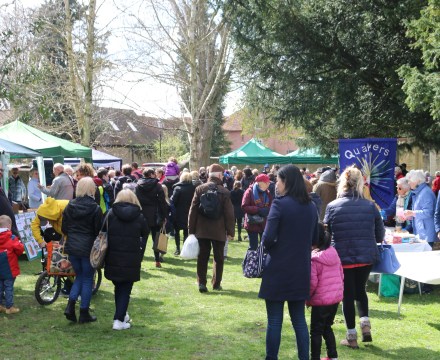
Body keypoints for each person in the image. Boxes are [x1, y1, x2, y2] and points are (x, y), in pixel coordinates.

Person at [259, 164, 319, 360]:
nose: (276, 184)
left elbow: (267, 239)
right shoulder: (310, 206)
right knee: (299, 321)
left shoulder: (280, 204)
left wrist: (275, 246)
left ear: (287, 182)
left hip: (278, 267)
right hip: (300, 268)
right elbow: (315, 237)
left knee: (275, 320)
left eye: (278, 180)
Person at [324, 165, 384, 349]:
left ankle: (351, 336)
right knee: (361, 291)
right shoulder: (370, 206)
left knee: (347, 296)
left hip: (343, 257)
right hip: (365, 256)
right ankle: (365, 326)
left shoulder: (332, 206)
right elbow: (380, 235)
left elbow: (327, 235)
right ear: (360, 184)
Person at [104, 190, 148, 330]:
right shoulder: (139, 216)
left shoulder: (110, 214)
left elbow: (102, 231)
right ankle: (119, 319)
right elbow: (145, 232)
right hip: (131, 257)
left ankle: (121, 315)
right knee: (125, 289)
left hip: (113, 256)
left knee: (119, 287)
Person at [188, 163, 235, 293]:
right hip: (219, 230)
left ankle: (201, 283)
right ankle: (216, 283)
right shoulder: (225, 192)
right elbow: (229, 214)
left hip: (202, 230)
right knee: (219, 258)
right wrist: (231, 231)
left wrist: (191, 230)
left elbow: (193, 211)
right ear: (220, 175)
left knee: (202, 256)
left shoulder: (199, 189)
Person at [62, 177, 103, 323]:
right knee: (86, 278)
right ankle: (83, 311)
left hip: (72, 246)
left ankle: (70, 306)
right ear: (92, 189)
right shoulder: (95, 208)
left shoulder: (70, 205)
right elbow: (99, 230)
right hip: (87, 247)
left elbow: (64, 228)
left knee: (80, 276)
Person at [307, 223, 344, 360]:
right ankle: (332, 356)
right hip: (334, 298)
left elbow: (312, 283)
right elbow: (341, 274)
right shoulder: (333, 252)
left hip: (320, 301)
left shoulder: (314, 259)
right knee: (327, 327)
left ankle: (314, 357)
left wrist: (308, 298)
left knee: (316, 331)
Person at [135, 168, 167, 268]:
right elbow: (162, 202)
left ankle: (139, 261)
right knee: (156, 238)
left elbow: (136, 200)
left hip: (142, 215)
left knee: (142, 239)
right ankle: (157, 260)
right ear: (152, 174)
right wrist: (164, 215)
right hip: (155, 215)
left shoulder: (138, 186)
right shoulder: (157, 186)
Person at [404, 169, 437, 247]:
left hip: (426, 234)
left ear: (417, 181)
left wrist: (412, 213)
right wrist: (410, 215)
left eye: (409, 181)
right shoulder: (419, 192)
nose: (408, 183)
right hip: (422, 232)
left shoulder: (425, 193)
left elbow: (428, 212)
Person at [0, 215, 24, 314]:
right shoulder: (12, 237)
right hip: (9, 267)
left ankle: (0, 305)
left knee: (0, 286)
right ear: (9, 226)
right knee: (8, 287)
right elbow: (19, 249)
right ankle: (9, 307)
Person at [242, 173, 273, 250]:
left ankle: (261, 262)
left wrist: (267, 210)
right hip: (253, 224)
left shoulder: (267, 193)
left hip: (264, 223)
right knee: (253, 247)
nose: (268, 184)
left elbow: (271, 205)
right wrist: (258, 210)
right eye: (266, 182)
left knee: (264, 247)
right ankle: (251, 262)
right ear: (260, 183)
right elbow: (244, 206)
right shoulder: (249, 191)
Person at [171, 172, 195, 256]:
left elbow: (173, 201)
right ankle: (184, 249)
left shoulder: (177, 188)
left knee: (176, 232)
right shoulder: (193, 188)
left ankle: (177, 249)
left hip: (178, 212)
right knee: (186, 231)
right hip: (189, 212)